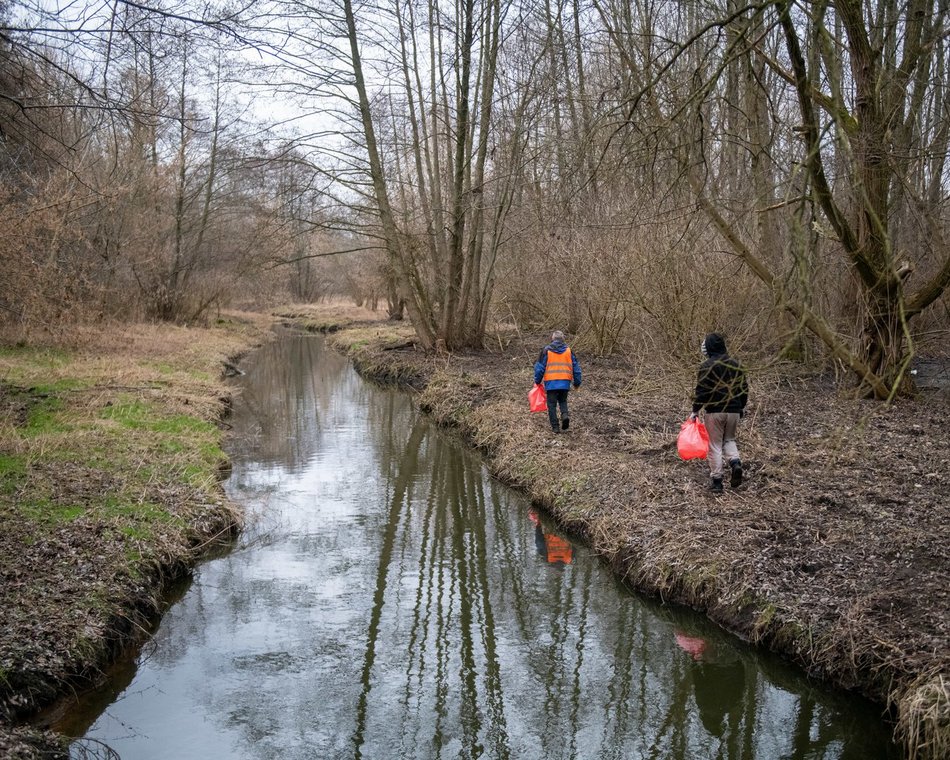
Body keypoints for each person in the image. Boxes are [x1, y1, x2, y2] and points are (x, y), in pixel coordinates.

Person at [691, 332, 748, 493]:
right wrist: (740, 407)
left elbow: (702, 391)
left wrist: (695, 410)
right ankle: (735, 462)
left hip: (715, 411)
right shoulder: (736, 365)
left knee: (714, 445)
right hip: (734, 411)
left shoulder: (706, 367)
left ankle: (717, 482)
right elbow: (744, 390)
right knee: (729, 440)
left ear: (709, 348)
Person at [534, 330, 582, 433]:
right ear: (563, 339)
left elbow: (539, 368)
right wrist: (577, 383)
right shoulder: (569, 351)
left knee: (551, 405)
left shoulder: (546, 351)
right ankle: (564, 415)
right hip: (565, 382)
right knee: (563, 401)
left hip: (551, 383)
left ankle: (555, 427)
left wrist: (537, 381)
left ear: (553, 338)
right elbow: (576, 368)